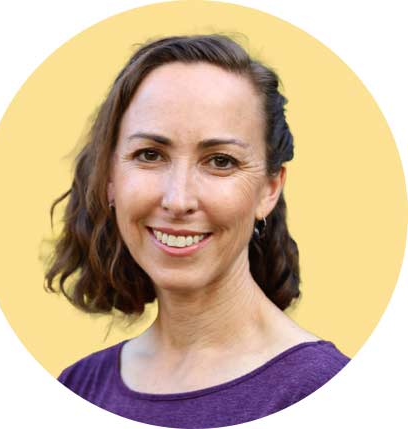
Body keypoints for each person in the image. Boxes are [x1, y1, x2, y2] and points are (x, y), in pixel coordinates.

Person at [46, 34, 349, 428]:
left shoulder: (325, 391)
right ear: (110, 179)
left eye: (220, 161)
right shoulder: (78, 387)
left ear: (269, 190)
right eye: (150, 155)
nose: (178, 200)